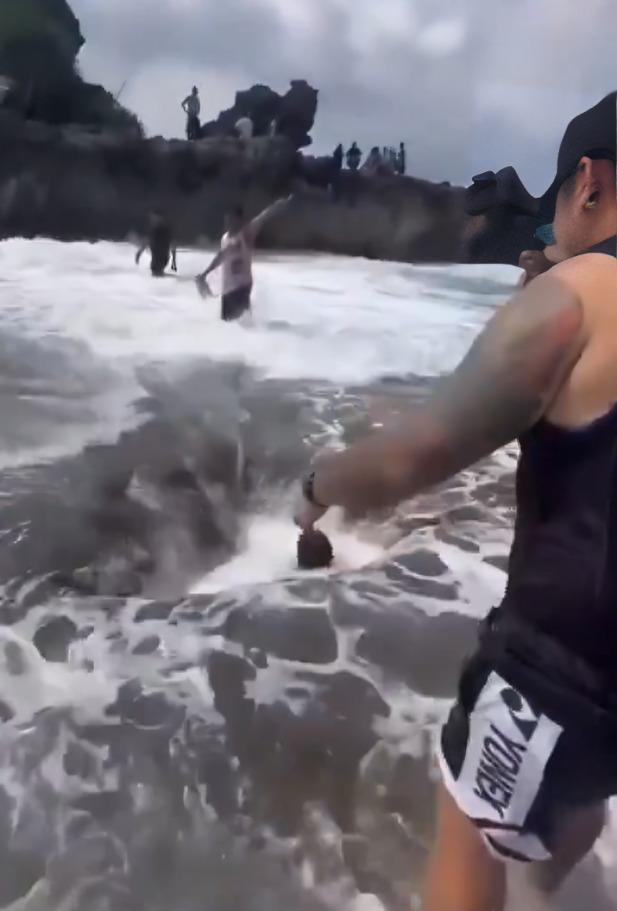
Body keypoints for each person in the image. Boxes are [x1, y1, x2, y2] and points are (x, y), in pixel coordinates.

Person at [294, 90, 617, 911]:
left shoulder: (578, 297)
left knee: (471, 821)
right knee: (557, 826)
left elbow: (415, 454)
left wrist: (316, 487)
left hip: (564, 666)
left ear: (586, 183)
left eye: (555, 208)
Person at [195, 196, 293, 321]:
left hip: (242, 287)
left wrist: (279, 204)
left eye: (231, 219)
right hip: (227, 290)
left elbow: (263, 217)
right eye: (227, 219)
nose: (228, 222)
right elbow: (221, 256)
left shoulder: (246, 233)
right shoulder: (225, 238)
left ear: (239, 220)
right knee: (230, 327)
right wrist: (205, 274)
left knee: (239, 324)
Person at [135, 209, 177, 277]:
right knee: (157, 273)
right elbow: (147, 241)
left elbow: (172, 243)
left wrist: (174, 260)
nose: (152, 219)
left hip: (161, 256)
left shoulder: (164, 230)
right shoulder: (154, 229)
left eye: (154, 218)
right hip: (159, 256)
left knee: (156, 272)